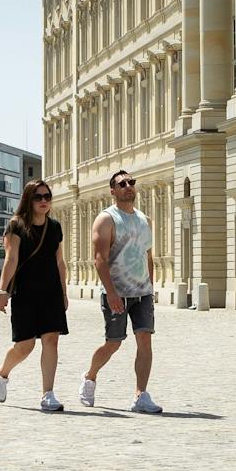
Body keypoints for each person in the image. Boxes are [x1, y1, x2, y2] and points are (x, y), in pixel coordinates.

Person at [80, 169, 162, 413]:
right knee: (113, 343)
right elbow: (99, 259)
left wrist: (151, 287)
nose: (128, 186)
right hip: (116, 292)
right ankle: (90, 377)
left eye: (131, 182)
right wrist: (112, 293)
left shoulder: (144, 220)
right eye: (122, 183)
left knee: (145, 340)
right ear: (113, 191)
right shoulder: (106, 219)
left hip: (142, 292)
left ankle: (140, 395)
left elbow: (148, 256)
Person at [0, 180, 68, 411]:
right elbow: (11, 259)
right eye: (38, 197)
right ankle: (2, 373)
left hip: (51, 291)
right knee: (25, 346)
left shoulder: (54, 227)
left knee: (51, 340)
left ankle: (48, 394)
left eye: (47, 196)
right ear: (28, 199)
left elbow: (60, 261)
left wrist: (64, 292)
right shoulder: (16, 225)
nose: (44, 201)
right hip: (25, 292)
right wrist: (3, 290)